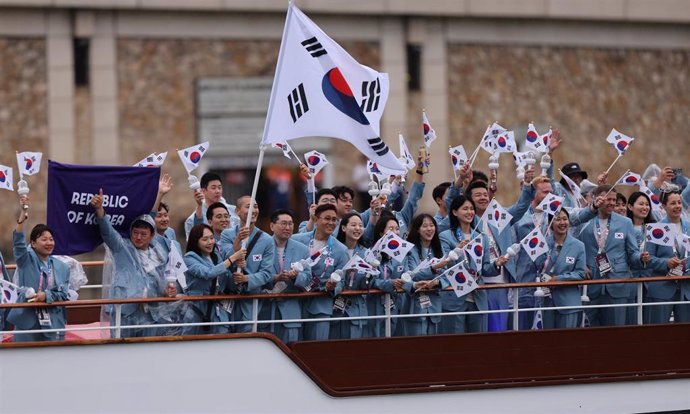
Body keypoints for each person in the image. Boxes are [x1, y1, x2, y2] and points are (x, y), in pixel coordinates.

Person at [91, 188, 181, 338]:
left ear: (152, 235)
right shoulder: (122, 248)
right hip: (126, 313)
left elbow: (163, 281)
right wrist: (99, 209)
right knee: (123, 352)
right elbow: (107, 232)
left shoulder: (159, 252)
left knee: (152, 353)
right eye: (135, 233)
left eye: (143, 234)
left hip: (153, 314)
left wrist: (168, 290)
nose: (138, 237)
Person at [577, 185, 644, 327]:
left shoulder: (625, 222)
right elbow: (576, 248)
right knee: (590, 333)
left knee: (616, 333)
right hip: (591, 285)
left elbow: (632, 252)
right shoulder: (585, 220)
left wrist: (641, 257)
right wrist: (581, 265)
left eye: (614, 199)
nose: (612, 203)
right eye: (608, 199)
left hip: (617, 284)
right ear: (597, 199)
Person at [8, 195, 70, 342]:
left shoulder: (62, 267)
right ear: (33, 243)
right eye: (44, 239)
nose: (49, 242)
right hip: (28, 322)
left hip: (53, 321)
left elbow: (63, 293)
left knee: (53, 361)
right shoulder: (26, 260)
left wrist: (46, 296)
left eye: (51, 239)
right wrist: (23, 214)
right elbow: (18, 243)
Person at [438, 195, 494, 334]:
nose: (469, 212)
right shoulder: (445, 236)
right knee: (455, 345)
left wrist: (497, 264)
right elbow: (444, 265)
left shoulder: (481, 237)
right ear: (455, 212)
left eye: (471, 209)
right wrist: (457, 249)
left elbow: (485, 268)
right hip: (455, 297)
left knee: (478, 344)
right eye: (465, 209)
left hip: (478, 297)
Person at [291, 203, 347, 340]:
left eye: (334, 220)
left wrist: (333, 286)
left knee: (315, 350)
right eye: (327, 218)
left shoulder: (341, 249)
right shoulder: (296, 240)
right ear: (316, 220)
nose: (331, 223)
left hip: (321, 305)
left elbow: (342, 279)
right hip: (295, 303)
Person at [220, 196, 275, 333]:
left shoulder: (267, 240)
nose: (253, 210)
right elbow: (226, 258)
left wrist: (247, 279)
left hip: (251, 297)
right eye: (249, 207)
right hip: (229, 295)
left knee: (247, 330)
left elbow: (267, 273)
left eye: (255, 206)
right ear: (237, 211)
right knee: (224, 331)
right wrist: (238, 240)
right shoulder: (227, 235)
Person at [182, 224, 245, 335]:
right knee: (194, 345)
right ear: (195, 241)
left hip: (218, 309)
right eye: (205, 239)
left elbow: (226, 279)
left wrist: (238, 272)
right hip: (198, 309)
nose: (210, 242)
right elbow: (208, 273)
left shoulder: (216, 256)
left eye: (212, 238)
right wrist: (233, 257)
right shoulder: (189, 258)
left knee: (222, 342)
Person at [643, 190, 690, 324]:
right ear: (664, 206)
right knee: (658, 334)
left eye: (679, 202)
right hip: (662, 289)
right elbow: (648, 259)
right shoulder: (655, 228)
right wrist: (666, 263)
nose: (677, 206)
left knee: (685, 336)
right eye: (673, 203)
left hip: (686, 289)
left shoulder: (689, 226)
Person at [535, 209, 586, 329]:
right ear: (551, 223)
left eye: (565, 219)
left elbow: (580, 273)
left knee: (567, 343)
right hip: (547, 301)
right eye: (558, 219)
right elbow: (537, 268)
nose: (562, 222)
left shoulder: (578, 246)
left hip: (568, 302)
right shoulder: (543, 244)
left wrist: (558, 279)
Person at [403, 214, 451, 335]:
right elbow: (411, 275)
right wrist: (433, 269)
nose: (429, 229)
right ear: (417, 229)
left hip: (434, 303)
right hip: (415, 304)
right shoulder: (409, 250)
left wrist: (437, 282)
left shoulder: (439, 249)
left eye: (432, 225)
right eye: (425, 226)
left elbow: (447, 276)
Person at [366, 213, 409, 337]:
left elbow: (407, 274)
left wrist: (404, 280)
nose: (395, 232)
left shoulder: (403, 255)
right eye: (390, 229)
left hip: (397, 304)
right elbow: (370, 281)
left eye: (397, 228)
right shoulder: (371, 253)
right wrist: (390, 283)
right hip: (375, 306)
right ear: (381, 233)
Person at [332, 212, 369, 339]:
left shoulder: (366, 253)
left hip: (357, 308)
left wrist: (369, 274)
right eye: (353, 225)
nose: (358, 228)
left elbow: (367, 285)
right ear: (343, 228)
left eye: (360, 225)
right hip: (336, 305)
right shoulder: (334, 249)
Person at [626, 191, 655, 324]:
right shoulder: (624, 226)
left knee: (649, 320)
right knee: (631, 320)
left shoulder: (655, 228)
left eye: (647, 204)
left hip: (650, 280)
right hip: (629, 279)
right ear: (630, 207)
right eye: (641, 204)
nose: (645, 207)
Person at [184, 172, 239, 239]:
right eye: (213, 188)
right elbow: (192, 243)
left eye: (219, 187)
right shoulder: (192, 220)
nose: (217, 191)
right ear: (203, 191)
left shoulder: (235, 211)